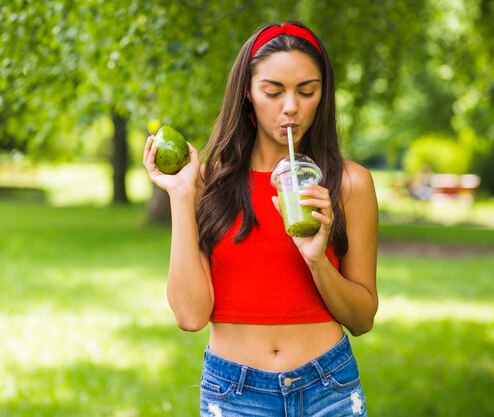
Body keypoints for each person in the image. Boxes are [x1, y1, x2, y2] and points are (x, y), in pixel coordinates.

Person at [143, 21, 378, 417]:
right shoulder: (208, 180)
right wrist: (182, 197)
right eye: (273, 91)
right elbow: (190, 315)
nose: (291, 107)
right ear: (248, 94)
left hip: (328, 389)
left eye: (307, 91)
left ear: (324, 93)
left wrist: (318, 259)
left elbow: (362, 318)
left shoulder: (350, 183)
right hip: (234, 393)